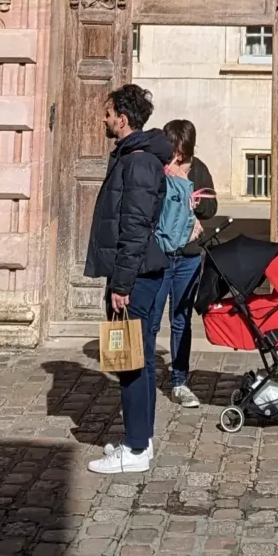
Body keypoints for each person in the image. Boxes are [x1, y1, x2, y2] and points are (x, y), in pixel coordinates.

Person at [82, 82, 173, 475]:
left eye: (108, 113)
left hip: (135, 276)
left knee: (130, 361)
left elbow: (133, 227)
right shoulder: (135, 157)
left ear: (122, 117)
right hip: (142, 273)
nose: (103, 119)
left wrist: (121, 284)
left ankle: (135, 450)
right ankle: (142, 441)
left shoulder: (137, 161)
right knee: (140, 359)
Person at [156, 119, 218, 409]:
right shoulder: (157, 166)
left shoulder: (199, 168)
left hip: (189, 255)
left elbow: (211, 207)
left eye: (183, 150)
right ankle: (141, 377)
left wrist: (196, 202)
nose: (179, 156)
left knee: (180, 319)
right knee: (151, 319)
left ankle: (180, 381)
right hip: (159, 254)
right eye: (175, 149)